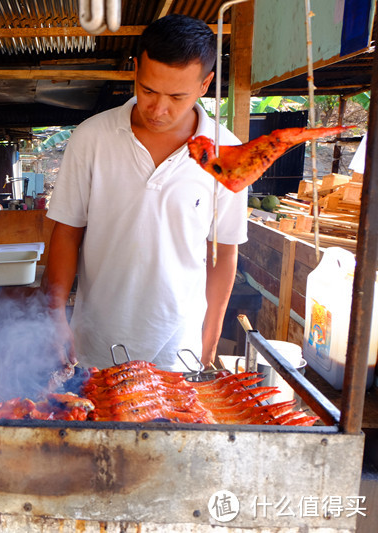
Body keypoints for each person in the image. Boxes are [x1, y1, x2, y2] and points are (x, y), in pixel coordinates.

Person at [45, 14, 248, 372]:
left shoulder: (228, 153)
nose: (158, 108)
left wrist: (211, 332)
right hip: (95, 344)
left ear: (205, 85)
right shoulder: (91, 138)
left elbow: (223, 251)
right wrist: (55, 313)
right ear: (135, 69)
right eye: (148, 90)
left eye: (177, 96)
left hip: (178, 348)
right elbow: (66, 232)